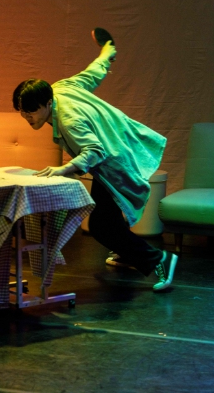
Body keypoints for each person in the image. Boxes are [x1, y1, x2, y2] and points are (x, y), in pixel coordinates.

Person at [12, 38, 177, 291]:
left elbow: (94, 150)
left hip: (114, 161)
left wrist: (63, 169)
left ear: (47, 104)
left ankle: (159, 260)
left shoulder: (69, 121)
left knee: (100, 226)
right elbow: (91, 75)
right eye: (22, 111)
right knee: (109, 218)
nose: (26, 117)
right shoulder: (59, 88)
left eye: (31, 111)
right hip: (117, 148)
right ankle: (127, 253)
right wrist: (106, 54)